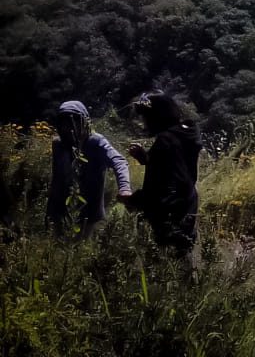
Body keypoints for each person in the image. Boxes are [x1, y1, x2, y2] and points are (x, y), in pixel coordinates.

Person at [124, 92, 201, 257]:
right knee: (184, 258)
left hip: (169, 212)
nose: (144, 123)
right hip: (188, 202)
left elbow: (162, 184)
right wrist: (147, 159)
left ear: (156, 117)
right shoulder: (186, 133)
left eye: (146, 117)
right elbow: (176, 166)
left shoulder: (165, 141)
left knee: (164, 265)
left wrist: (134, 200)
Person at [47, 100, 132, 238]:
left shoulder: (95, 141)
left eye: (74, 122)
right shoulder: (58, 144)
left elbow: (119, 161)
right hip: (60, 208)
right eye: (64, 123)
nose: (69, 128)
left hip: (88, 210)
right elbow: (57, 178)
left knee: (81, 248)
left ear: (85, 123)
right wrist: (51, 209)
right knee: (58, 247)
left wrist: (125, 188)